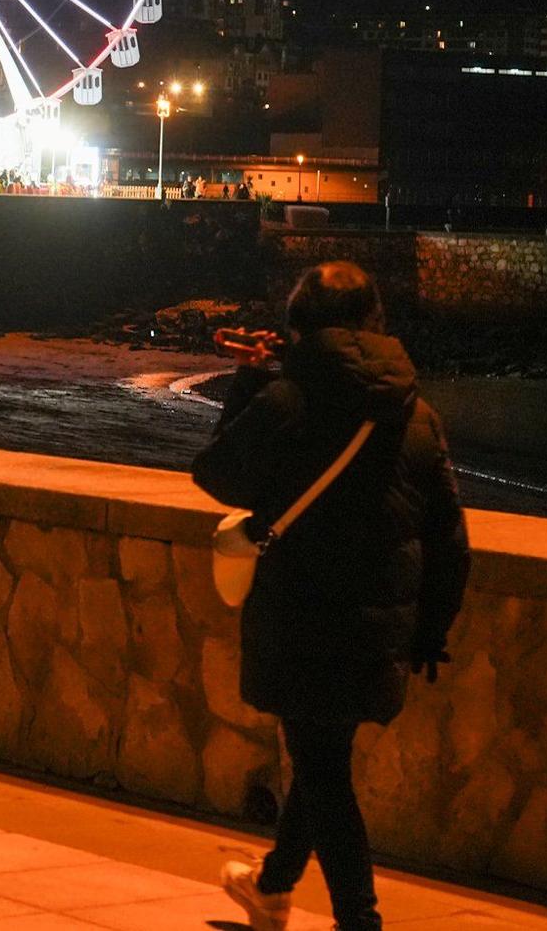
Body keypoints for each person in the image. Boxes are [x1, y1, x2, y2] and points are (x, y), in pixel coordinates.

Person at [191, 262, 470, 931]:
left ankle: (360, 921)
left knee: (323, 773)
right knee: (323, 761)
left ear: (298, 325)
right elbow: (452, 543)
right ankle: (273, 885)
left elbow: (218, 476)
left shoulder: (289, 404)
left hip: (300, 620)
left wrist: (252, 382)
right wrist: (428, 633)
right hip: (378, 631)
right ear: (375, 323)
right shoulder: (420, 417)